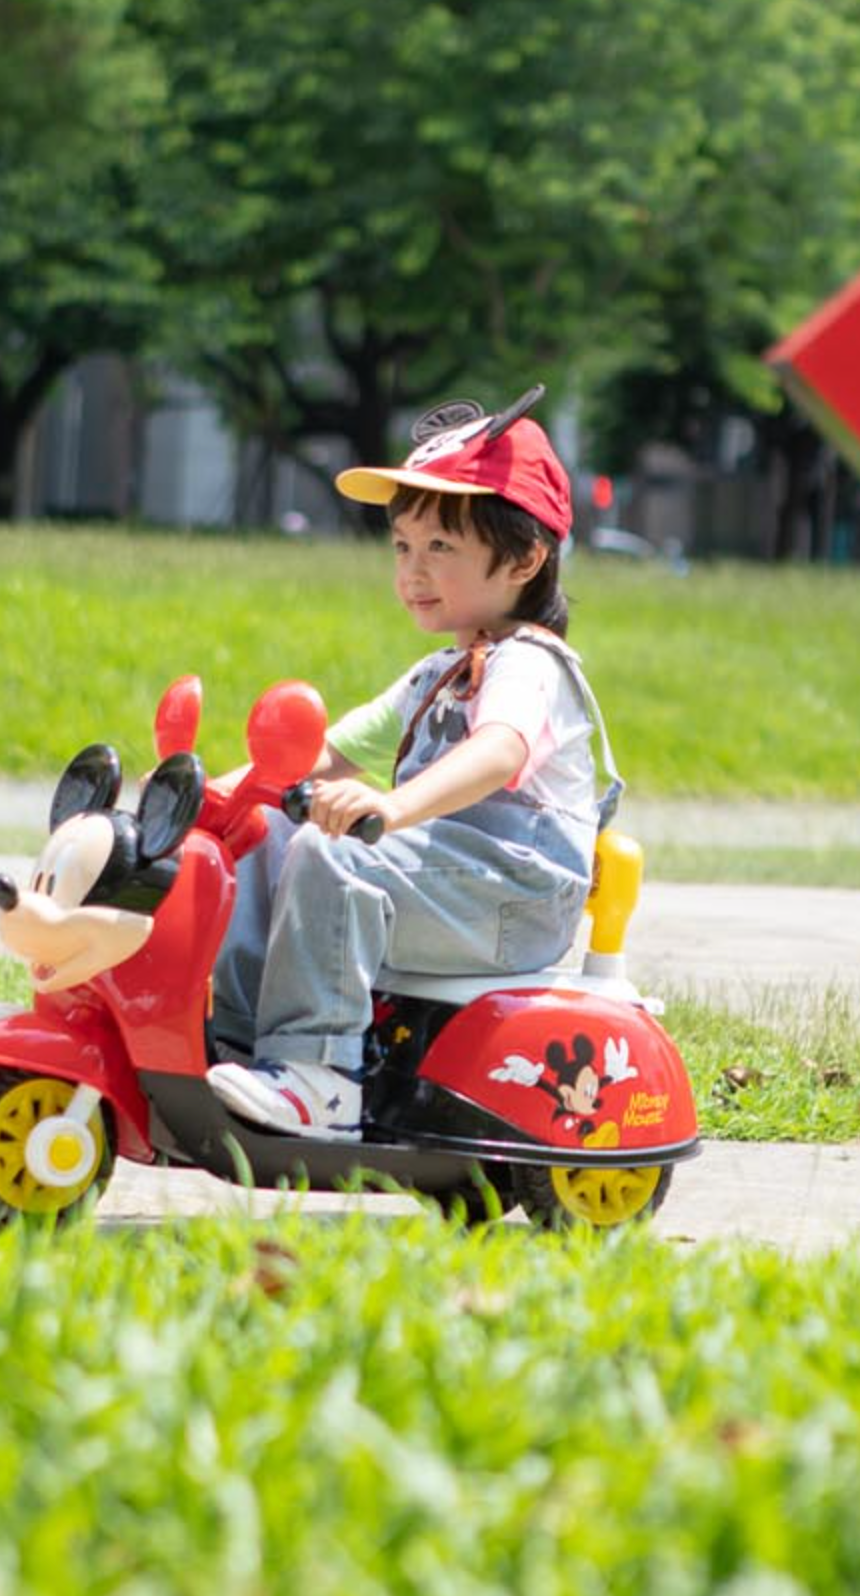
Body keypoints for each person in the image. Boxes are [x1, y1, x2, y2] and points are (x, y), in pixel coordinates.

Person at [206, 387, 612, 1141]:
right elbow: (321, 756)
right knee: (267, 832)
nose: (412, 571)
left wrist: (391, 807)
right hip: (449, 880)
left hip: (514, 895)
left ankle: (321, 1077)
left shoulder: (531, 666)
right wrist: (222, 791)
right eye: (402, 546)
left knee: (336, 854)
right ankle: (243, 1036)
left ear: (525, 557)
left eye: (441, 549)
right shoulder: (436, 674)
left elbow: (498, 753)